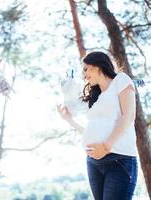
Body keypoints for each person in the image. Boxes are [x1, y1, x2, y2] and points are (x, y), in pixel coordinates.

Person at [57, 51, 138, 200]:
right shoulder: (97, 98)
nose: (84, 75)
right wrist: (69, 120)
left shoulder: (121, 80)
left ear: (97, 65)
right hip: (93, 163)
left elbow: (129, 116)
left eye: (86, 69)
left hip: (118, 159)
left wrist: (106, 146)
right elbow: (90, 130)